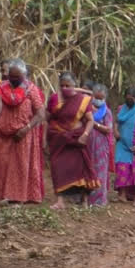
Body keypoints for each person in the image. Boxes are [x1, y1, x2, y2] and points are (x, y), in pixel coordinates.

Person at [0, 58, 45, 204]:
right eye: (11, 76)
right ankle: (3, 195)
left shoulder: (31, 89)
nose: (14, 79)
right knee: (2, 164)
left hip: (23, 135)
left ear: (24, 75)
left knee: (20, 166)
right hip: (3, 135)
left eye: (17, 76)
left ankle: (19, 197)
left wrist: (26, 129)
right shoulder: (1, 87)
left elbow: (40, 113)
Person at [46, 71, 100, 209]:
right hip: (59, 139)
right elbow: (48, 118)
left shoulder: (83, 100)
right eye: (62, 85)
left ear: (74, 85)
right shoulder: (54, 99)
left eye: (68, 85)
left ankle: (84, 200)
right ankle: (60, 201)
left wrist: (85, 135)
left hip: (78, 138)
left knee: (82, 168)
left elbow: (90, 121)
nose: (64, 88)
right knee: (58, 167)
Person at [87, 83, 113, 206]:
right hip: (87, 144)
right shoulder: (87, 108)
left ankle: (98, 200)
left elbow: (108, 129)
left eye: (100, 98)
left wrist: (94, 124)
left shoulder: (106, 112)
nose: (97, 100)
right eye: (96, 97)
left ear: (105, 98)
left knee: (100, 171)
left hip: (101, 146)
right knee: (88, 169)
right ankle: (85, 198)